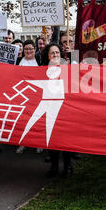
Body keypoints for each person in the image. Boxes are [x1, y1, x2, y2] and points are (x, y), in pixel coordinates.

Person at [39, 43, 73, 178]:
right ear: (47, 55)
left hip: (65, 109)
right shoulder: (42, 70)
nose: (55, 55)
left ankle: (67, 167)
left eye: (57, 52)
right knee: (52, 141)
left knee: (66, 141)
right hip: (50, 108)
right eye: (52, 53)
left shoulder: (69, 69)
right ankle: (54, 166)